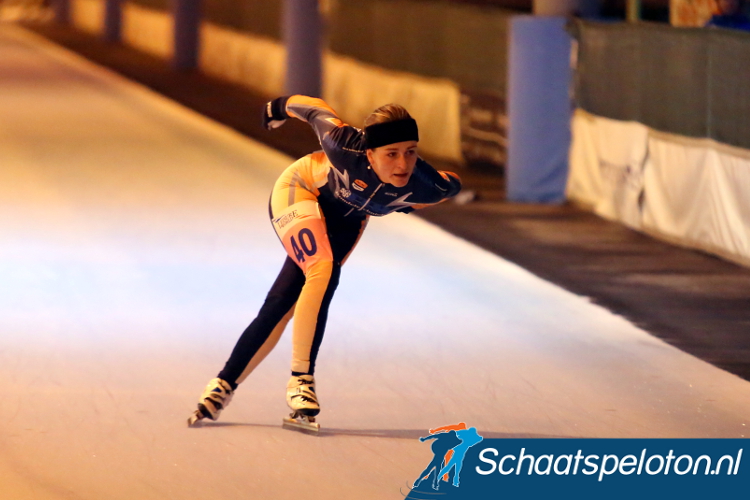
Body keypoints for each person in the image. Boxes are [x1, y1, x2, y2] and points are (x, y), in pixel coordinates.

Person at [188, 95, 462, 426]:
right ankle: (301, 379)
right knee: (322, 269)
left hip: (347, 221)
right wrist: (277, 109)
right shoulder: (345, 145)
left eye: (410, 151)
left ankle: (222, 385)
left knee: (285, 302)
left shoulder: (425, 184)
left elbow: (451, 185)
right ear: (370, 153)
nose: (403, 165)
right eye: (391, 154)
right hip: (301, 189)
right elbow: (314, 109)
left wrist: (406, 202)